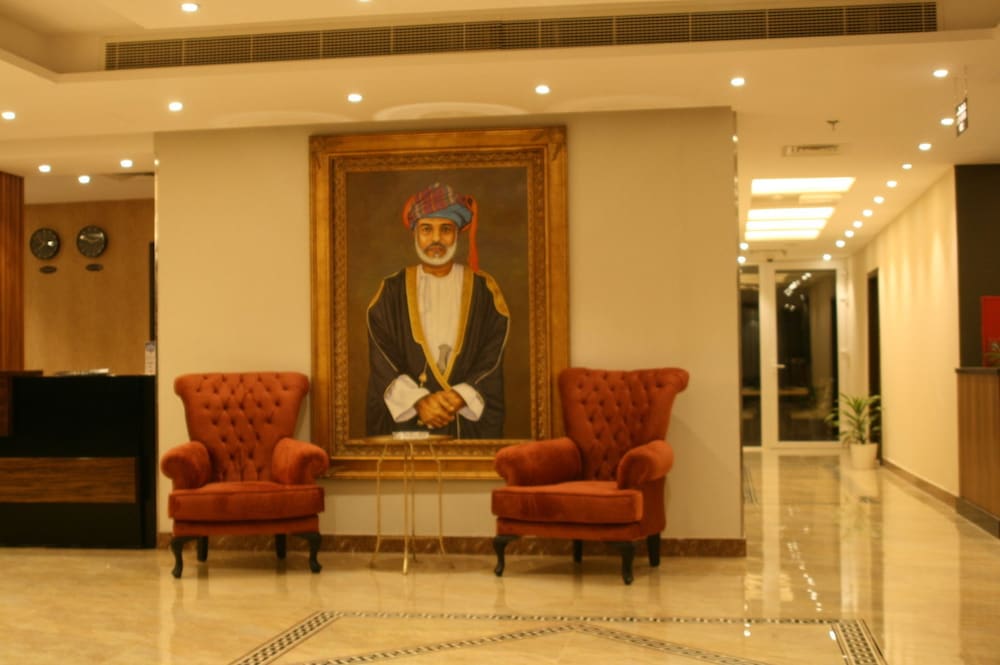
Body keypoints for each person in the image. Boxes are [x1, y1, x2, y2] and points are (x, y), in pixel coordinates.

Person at [365, 182, 510, 438]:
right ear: (415, 233)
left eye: (445, 229)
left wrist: (460, 396)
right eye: (426, 229)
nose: (435, 239)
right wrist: (419, 402)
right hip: (409, 426)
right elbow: (382, 360)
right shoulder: (391, 291)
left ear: (457, 233)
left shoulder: (484, 290)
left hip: (466, 421)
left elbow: (492, 356)